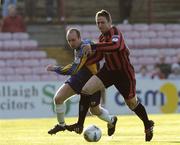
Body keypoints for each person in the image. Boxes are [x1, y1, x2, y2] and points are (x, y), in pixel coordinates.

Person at [81, 10, 154, 142]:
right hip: (108, 71)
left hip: (123, 73)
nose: (100, 25)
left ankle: (147, 124)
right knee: (86, 90)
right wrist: (83, 61)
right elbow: (99, 56)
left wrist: (93, 46)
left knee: (132, 104)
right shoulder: (102, 38)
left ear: (110, 22)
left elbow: (115, 46)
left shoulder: (115, 33)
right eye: (98, 23)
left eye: (102, 22)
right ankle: (91, 122)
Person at [47, 28, 117, 136]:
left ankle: (111, 120)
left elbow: (72, 69)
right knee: (58, 98)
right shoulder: (80, 48)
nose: (71, 43)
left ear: (80, 38)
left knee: (95, 110)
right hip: (79, 78)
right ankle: (61, 125)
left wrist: (56, 68)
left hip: (92, 82)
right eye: (69, 40)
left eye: (73, 40)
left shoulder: (84, 48)